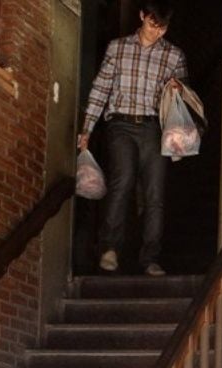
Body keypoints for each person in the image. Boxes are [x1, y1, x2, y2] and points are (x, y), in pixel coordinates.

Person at [77, 0, 188, 277]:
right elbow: (101, 89)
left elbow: (183, 98)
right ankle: (109, 249)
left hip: (153, 128)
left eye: (163, 28)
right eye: (153, 24)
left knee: (154, 194)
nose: (157, 32)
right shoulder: (118, 48)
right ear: (142, 16)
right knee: (122, 182)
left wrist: (179, 88)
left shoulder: (173, 55)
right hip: (121, 125)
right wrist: (87, 129)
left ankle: (150, 258)